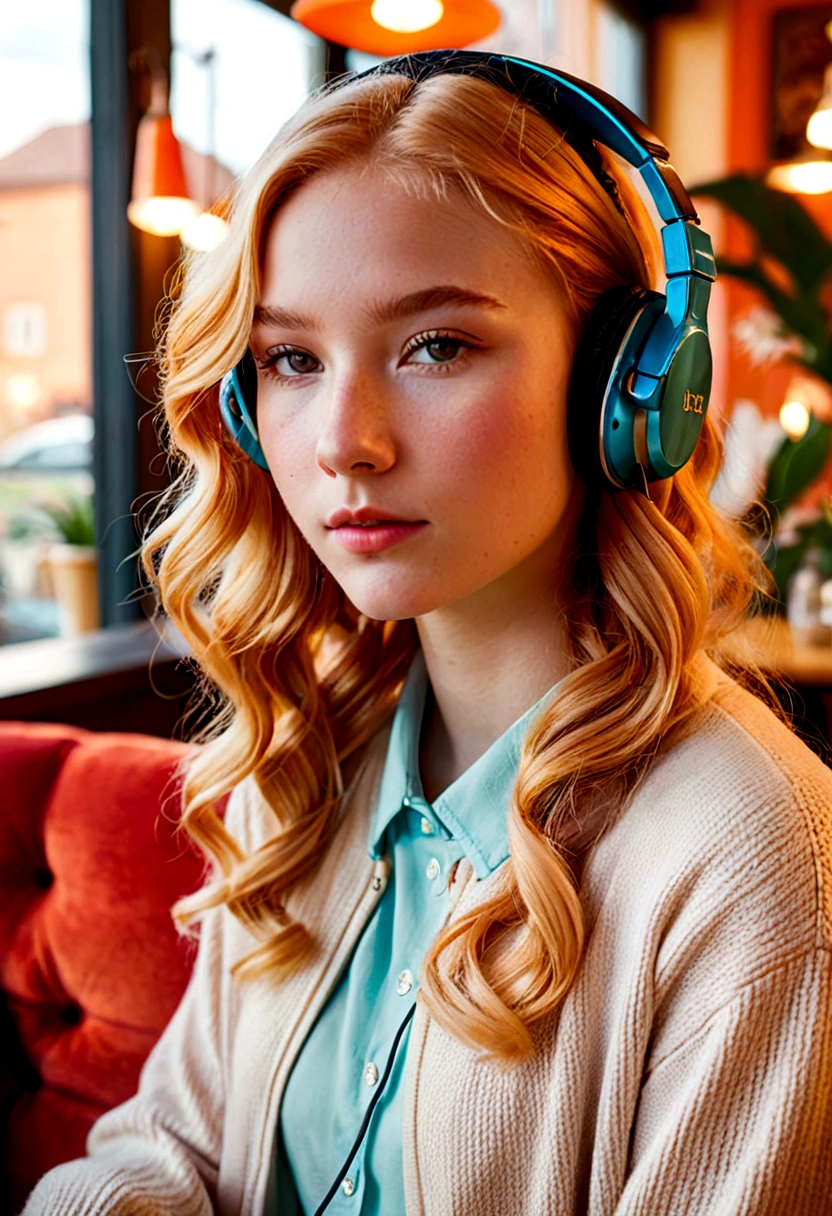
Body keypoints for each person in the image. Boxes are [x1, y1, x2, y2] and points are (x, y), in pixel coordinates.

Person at [23, 50, 832, 1216]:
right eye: (292, 358)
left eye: (436, 345)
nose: (343, 441)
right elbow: (174, 1145)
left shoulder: (757, 861)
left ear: (626, 389)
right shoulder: (301, 767)